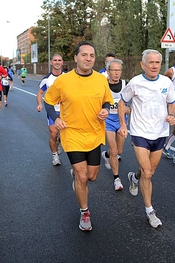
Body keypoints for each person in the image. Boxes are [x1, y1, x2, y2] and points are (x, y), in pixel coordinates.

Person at [44, 41, 113, 231]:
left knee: (91, 177)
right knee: (82, 178)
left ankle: (77, 175)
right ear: (76, 58)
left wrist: (105, 111)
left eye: (91, 55)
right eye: (84, 55)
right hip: (72, 134)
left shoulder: (100, 80)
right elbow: (48, 101)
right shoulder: (63, 81)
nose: (88, 58)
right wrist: (56, 118)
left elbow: (107, 102)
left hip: (94, 134)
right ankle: (85, 213)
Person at [118, 49, 175, 228]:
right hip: (140, 132)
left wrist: (172, 116)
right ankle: (150, 211)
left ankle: (134, 178)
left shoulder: (166, 82)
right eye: (150, 62)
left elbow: (172, 103)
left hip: (160, 132)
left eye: (157, 63)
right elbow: (122, 102)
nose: (154, 65)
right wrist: (123, 125)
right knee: (148, 172)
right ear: (143, 65)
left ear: (161, 64)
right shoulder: (135, 83)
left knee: (149, 171)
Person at [101, 58, 131, 191]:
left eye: (119, 70)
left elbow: (131, 104)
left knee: (119, 151)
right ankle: (116, 179)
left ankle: (106, 155)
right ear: (108, 71)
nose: (117, 73)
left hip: (121, 122)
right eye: (114, 70)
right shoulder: (102, 85)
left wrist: (128, 109)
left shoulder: (126, 84)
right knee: (114, 150)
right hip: (107, 121)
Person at [36, 54, 64, 166]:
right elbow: (40, 93)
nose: (57, 62)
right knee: (53, 134)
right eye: (55, 60)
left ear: (62, 62)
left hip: (66, 111)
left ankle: (61, 142)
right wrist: (39, 103)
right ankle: (55, 156)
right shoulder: (47, 79)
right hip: (53, 110)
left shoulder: (68, 77)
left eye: (59, 60)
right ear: (51, 62)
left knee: (65, 135)